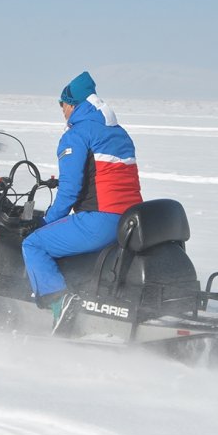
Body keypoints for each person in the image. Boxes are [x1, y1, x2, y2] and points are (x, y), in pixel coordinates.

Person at [22, 71, 143, 334]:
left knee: (34, 243)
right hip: (130, 222)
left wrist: (46, 221)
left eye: (62, 104)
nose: (62, 111)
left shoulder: (77, 135)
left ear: (73, 104)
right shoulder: (118, 132)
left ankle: (60, 304)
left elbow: (69, 191)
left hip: (100, 221)